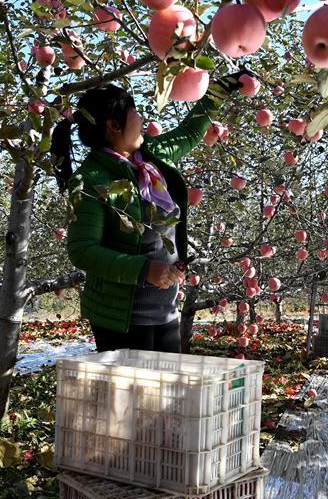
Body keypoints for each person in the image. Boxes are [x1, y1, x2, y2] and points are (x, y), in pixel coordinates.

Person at [52, 74, 243, 354]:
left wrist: (215, 92)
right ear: (114, 126)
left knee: (164, 393)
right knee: (135, 395)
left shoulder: (151, 157)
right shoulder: (91, 180)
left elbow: (189, 133)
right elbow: (82, 250)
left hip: (164, 308)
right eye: (135, 114)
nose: (141, 119)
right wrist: (144, 270)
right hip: (121, 319)